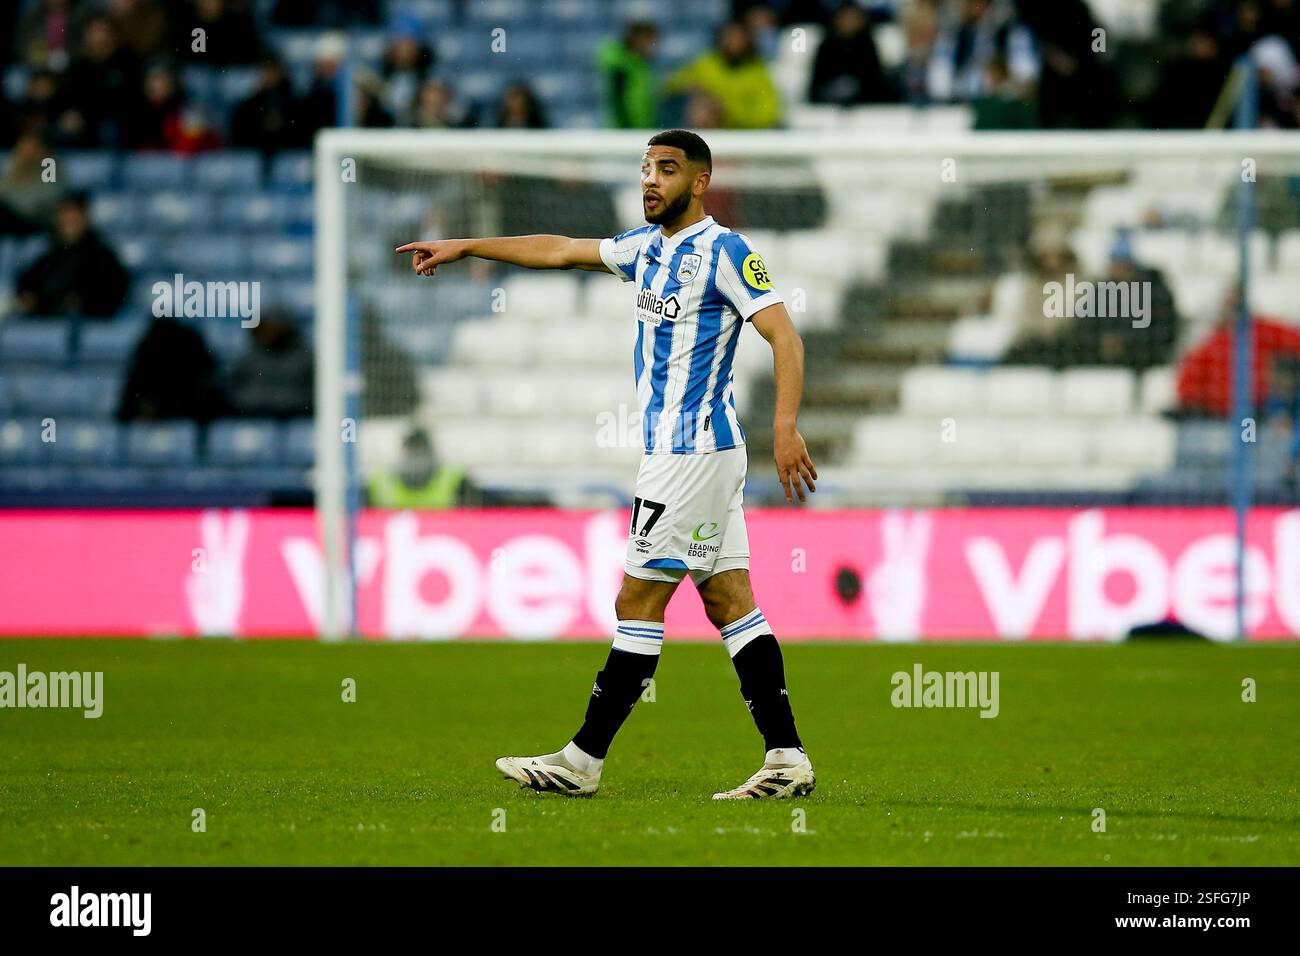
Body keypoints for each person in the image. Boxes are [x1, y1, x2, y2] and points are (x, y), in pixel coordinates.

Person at [396, 129, 818, 800]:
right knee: (728, 600)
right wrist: (468, 246)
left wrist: (787, 425)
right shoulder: (646, 249)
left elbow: (784, 335)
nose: (651, 180)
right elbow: (559, 249)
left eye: (668, 169)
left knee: (636, 600)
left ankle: (582, 760)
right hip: (690, 455)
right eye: (646, 168)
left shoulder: (726, 252)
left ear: (700, 183)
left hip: (692, 452)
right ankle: (786, 757)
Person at [16, 192, 128, 317]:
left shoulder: (102, 257)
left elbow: (112, 292)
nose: (69, 223)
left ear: (85, 218)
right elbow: (27, 287)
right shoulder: (49, 256)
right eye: (65, 218)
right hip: (50, 326)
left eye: (74, 218)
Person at [664, 21, 780, 129]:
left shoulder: (757, 74)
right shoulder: (706, 64)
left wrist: (727, 110)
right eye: (729, 37)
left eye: (738, 38)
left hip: (736, 137)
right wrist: (690, 87)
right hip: (700, 130)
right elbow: (670, 85)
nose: (734, 43)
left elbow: (768, 115)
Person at [227, 312, 314, 418]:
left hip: (298, 415)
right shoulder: (249, 358)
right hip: (253, 416)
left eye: (276, 328)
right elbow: (234, 388)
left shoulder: (304, 358)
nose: (271, 333)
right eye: (268, 329)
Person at [368, 427, 478, 509]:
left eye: (420, 449)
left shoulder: (458, 481)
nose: (417, 458)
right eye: (414, 450)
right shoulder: (379, 481)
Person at [808, 2, 894, 106]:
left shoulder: (868, 46)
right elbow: (816, 85)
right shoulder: (826, 46)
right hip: (828, 103)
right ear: (837, 20)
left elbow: (875, 82)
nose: (849, 23)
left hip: (864, 103)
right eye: (845, 18)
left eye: (853, 18)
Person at [596, 21, 659, 129]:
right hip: (623, 128)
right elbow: (617, 99)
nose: (652, 46)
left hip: (641, 127)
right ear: (636, 39)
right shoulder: (620, 65)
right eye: (648, 41)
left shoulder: (641, 64)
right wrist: (626, 126)